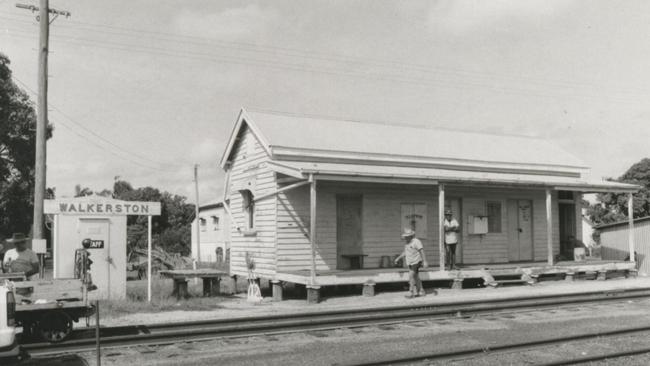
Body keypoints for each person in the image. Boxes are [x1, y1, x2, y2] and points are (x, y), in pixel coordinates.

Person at [394, 228, 428, 299]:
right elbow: (405, 252)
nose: (406, 238)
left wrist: (424, 261)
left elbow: (421, 251)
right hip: (410, 262)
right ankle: (421, 291)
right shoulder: (407, 243)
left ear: (411, 236)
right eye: (405, 236)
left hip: (416, 261)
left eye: (407, 236)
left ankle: (411, 292)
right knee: (416, 277)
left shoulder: (416, 241)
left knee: (411, 275)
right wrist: (398, 258)